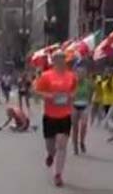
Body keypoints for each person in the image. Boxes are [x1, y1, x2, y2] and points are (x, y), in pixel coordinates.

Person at [34, 51, 77, 187]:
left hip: (65, 115)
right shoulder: (46, 76)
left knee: (62, 145)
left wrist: (70, 96)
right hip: (50, 116)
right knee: (51, 147)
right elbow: (37, 91)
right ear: (53, 61)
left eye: (63, 58)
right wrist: (49, 96)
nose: (61, 61)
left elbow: (74, 90)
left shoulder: (71, 76)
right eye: (57, 59)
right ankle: (50, 155)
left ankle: (58, 174)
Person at [71, 63, 93, 154]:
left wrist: (90, 101)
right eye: (79, 73)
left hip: (85, 105)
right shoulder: (72, 82)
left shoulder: (88, 83)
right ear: (76, 73)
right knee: (75, 127)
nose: (81, 75)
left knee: (83, 125)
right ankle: (75, 145)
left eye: (83, 73)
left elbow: (92, 91)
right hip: (74, 105)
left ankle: (82, 142)